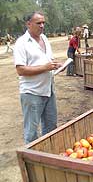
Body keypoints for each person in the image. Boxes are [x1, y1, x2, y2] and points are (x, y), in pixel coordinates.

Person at [13, 11, 62, 144]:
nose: (42, 26)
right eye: (38, 23)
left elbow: (47, 60)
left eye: (43, 23)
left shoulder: (45, 39)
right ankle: (32, 159)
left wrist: (54, 64)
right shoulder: (21, 43)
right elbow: (20, 69)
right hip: (32, 93)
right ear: (28, 24)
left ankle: (48, 155)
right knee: (31, 131)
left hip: (48, 90)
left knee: (51, 127)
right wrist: (45, 67)